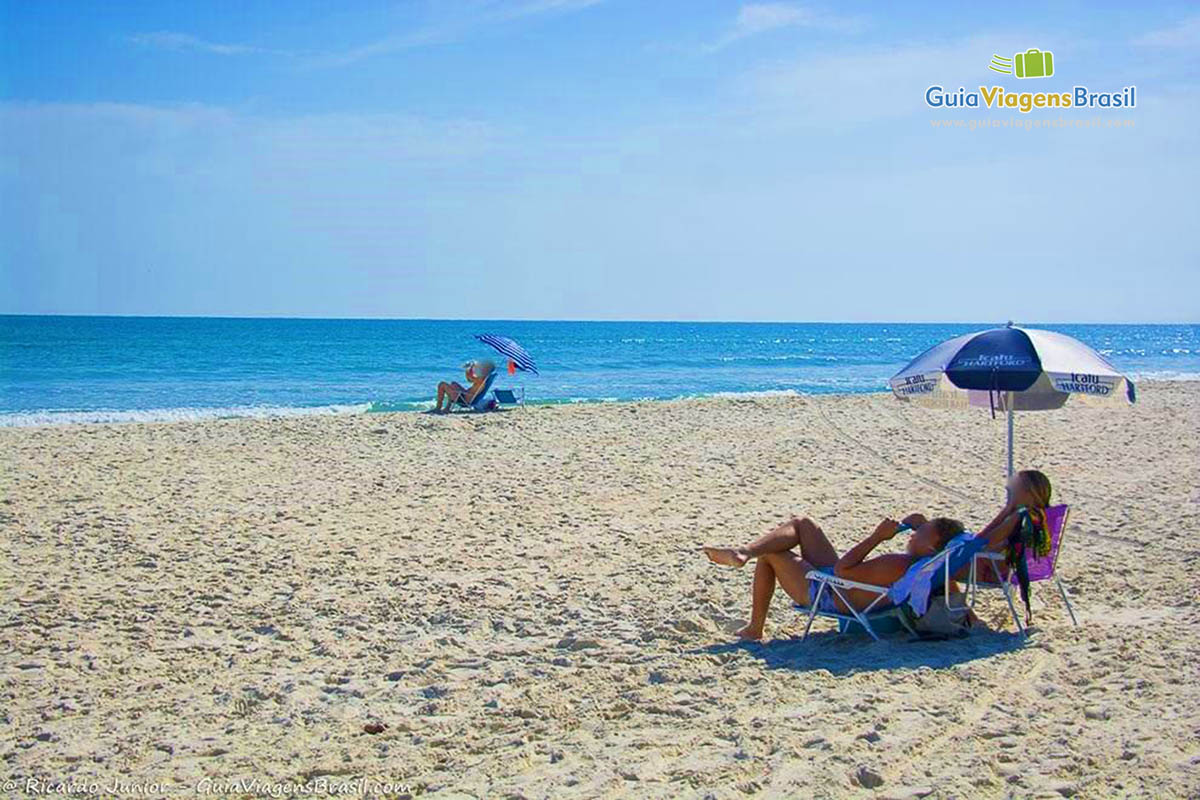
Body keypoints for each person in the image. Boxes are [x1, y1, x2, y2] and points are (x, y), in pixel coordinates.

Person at [703, 514, 965, 641]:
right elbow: (952, 584)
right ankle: (742, 552)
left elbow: (843, 571)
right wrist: (924, 525)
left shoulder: (897, 564)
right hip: (845, 587)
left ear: (932, 547)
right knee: (804, 524)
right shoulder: (934, 567)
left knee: (771, 553)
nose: (912, 535)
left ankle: (754, 628)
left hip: (830, 593)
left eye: (920, 533)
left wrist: (877, 537)